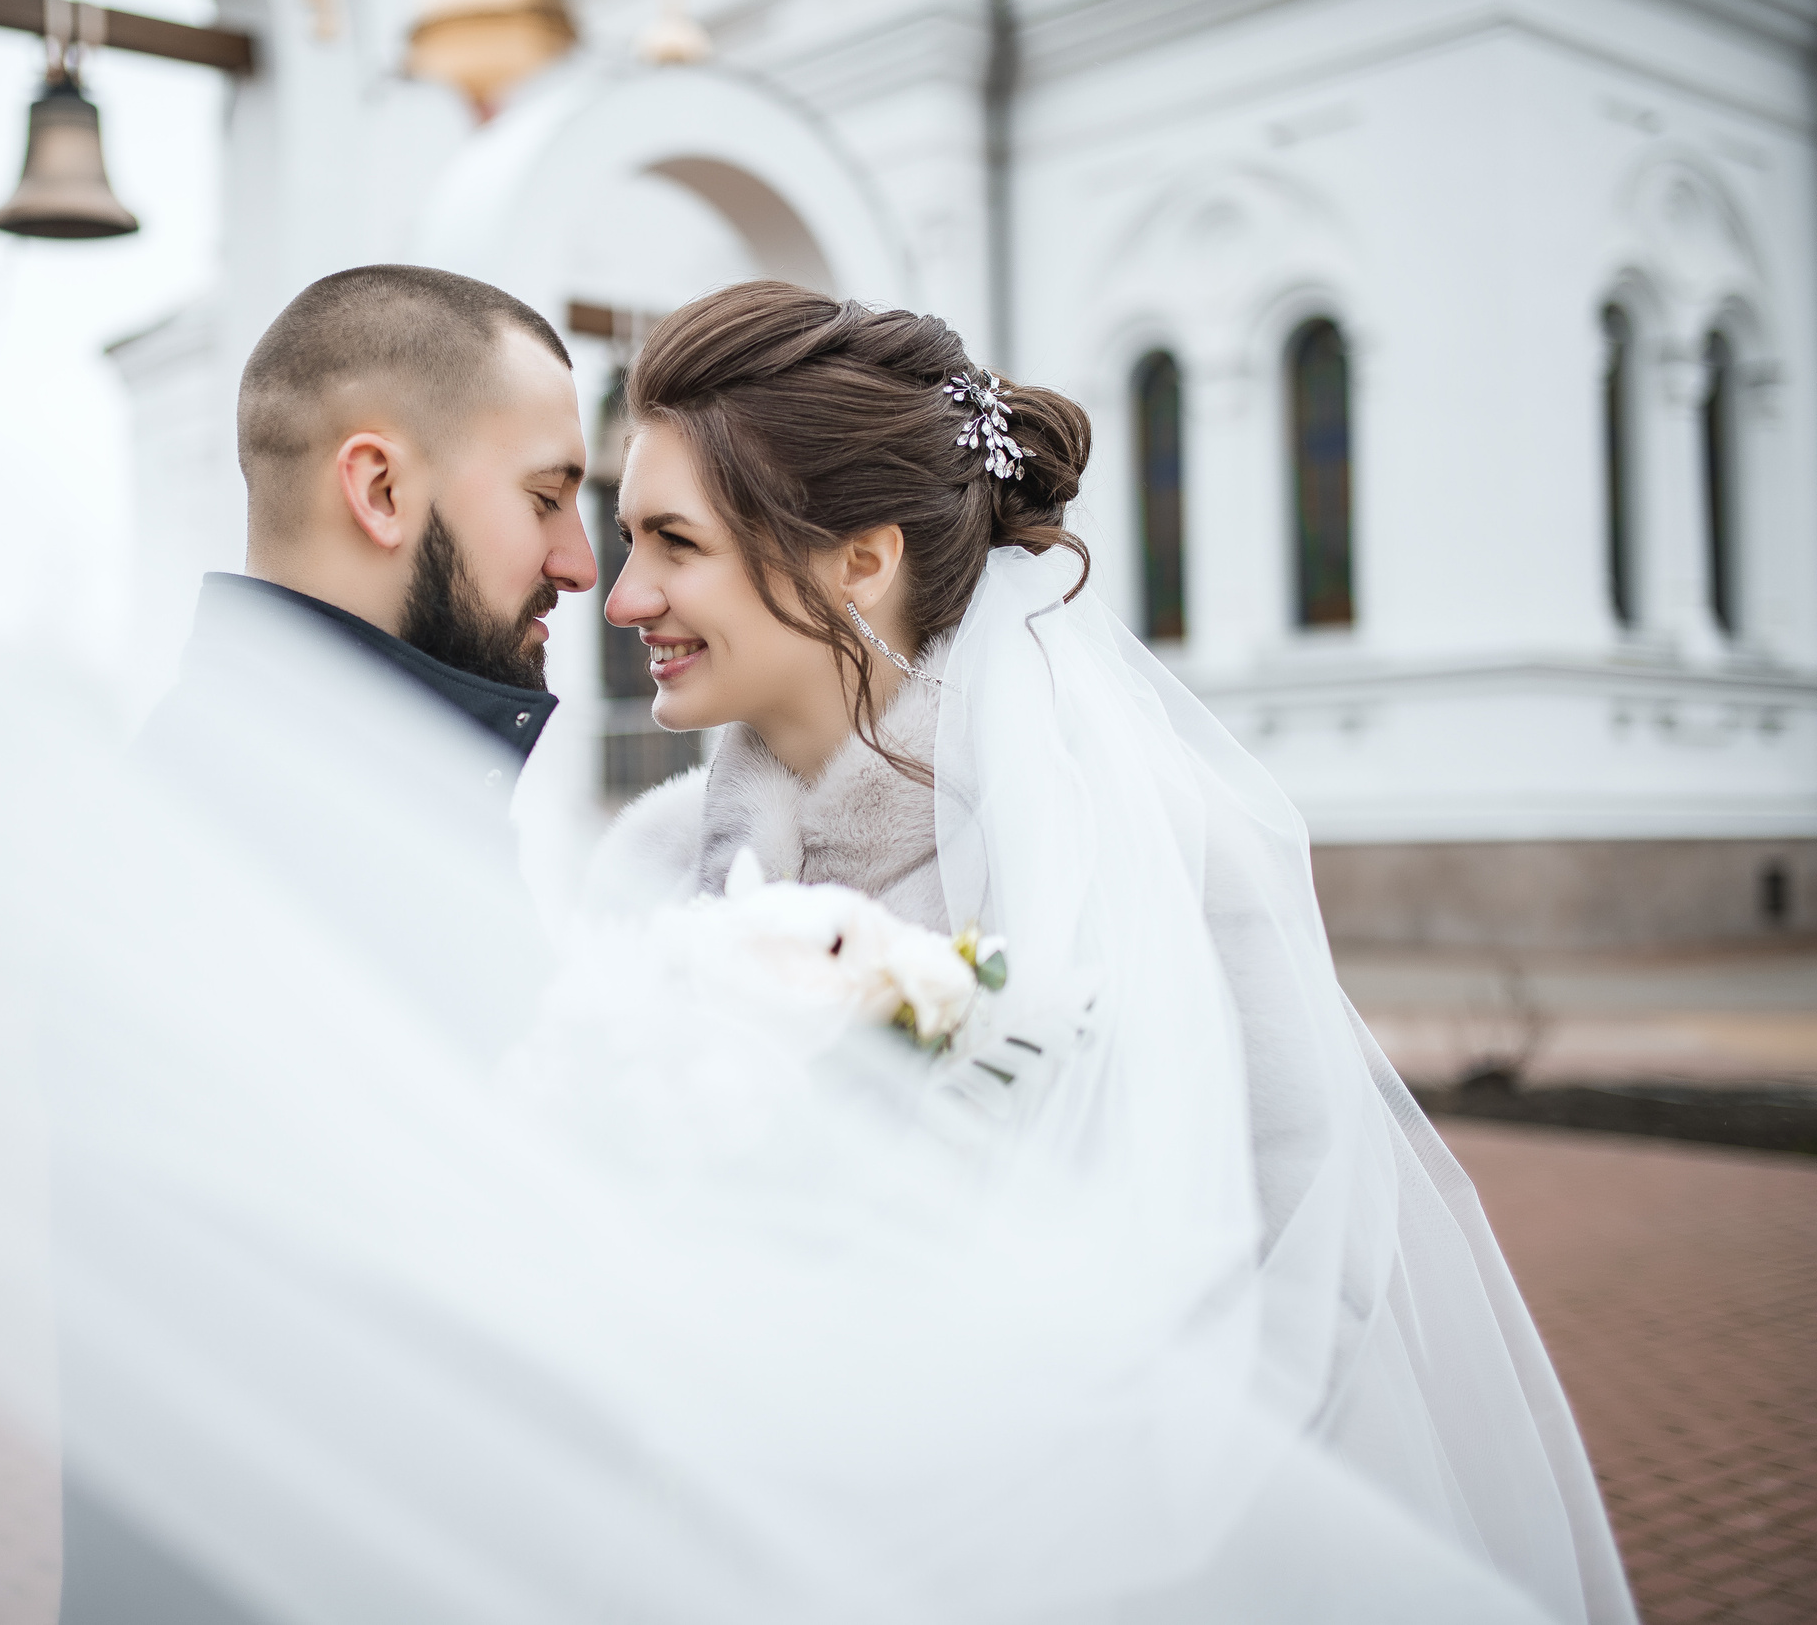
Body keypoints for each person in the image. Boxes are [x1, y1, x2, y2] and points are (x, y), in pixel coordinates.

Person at [588, 280, 1639, 1623]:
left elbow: (1304, 1277)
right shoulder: (642, 880)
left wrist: (1050, 1542)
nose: (624, 600)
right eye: (626, 541)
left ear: (862, 558)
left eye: (675, 542)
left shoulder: (1155, 862)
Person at [58, 264, 596, 1625]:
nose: (584, 564)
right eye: (547, 497)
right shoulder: (262, 827)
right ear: (379, 489)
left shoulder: (349, 781)